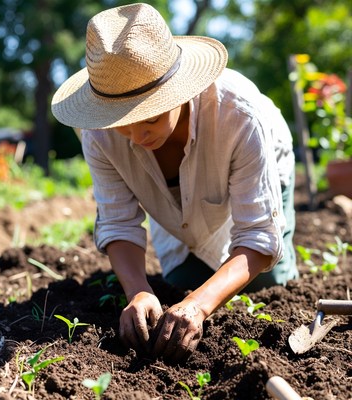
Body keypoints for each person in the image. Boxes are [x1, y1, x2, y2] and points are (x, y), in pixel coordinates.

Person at [51, 3, 298, 363]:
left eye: (149, 116)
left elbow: (258, 235)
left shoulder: (239, 115)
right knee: (182, 280)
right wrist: (138, 292)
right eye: (122, 120)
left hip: (263, 172)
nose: (135, 135)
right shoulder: (100, 134)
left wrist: (198, 305)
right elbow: (118, 222)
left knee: (265, 287)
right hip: (173, 210)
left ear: (178, 92)